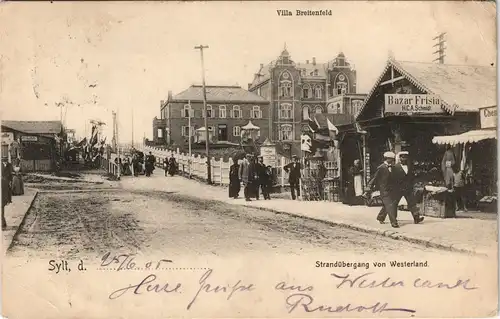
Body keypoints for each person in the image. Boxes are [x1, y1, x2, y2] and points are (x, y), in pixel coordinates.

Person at [377, 151, 424, 225]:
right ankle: (381, 217)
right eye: (402, 157)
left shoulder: (410, 166)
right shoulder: (395, 167)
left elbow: (411, 177)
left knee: (412, 203)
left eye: (406, 157)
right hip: (398, 189)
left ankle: (416, 218)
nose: (404, 159)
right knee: (393, 204)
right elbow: (392, 178)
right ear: (400, 158)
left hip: (408, 188)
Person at [366, 152, 399, 228]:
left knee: (386, 205)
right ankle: (394, 222)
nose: (392, 160)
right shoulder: (381, 167)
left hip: (392, 190)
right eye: (390, 159)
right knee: (390, 205)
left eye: (392, 159)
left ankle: (380, 217)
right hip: (384, 190)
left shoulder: (393, 167)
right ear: (387, 159)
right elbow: (374, 178)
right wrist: (369, 187)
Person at [2, 157, 13, 229]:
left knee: (4, 201)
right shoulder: (1, 165)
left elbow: (11, 173)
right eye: (4, 161)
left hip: (6, 183)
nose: (5, 162)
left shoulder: (9, 165)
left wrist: (10, 181)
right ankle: (3, 221)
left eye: (6, 160)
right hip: (2, 183)